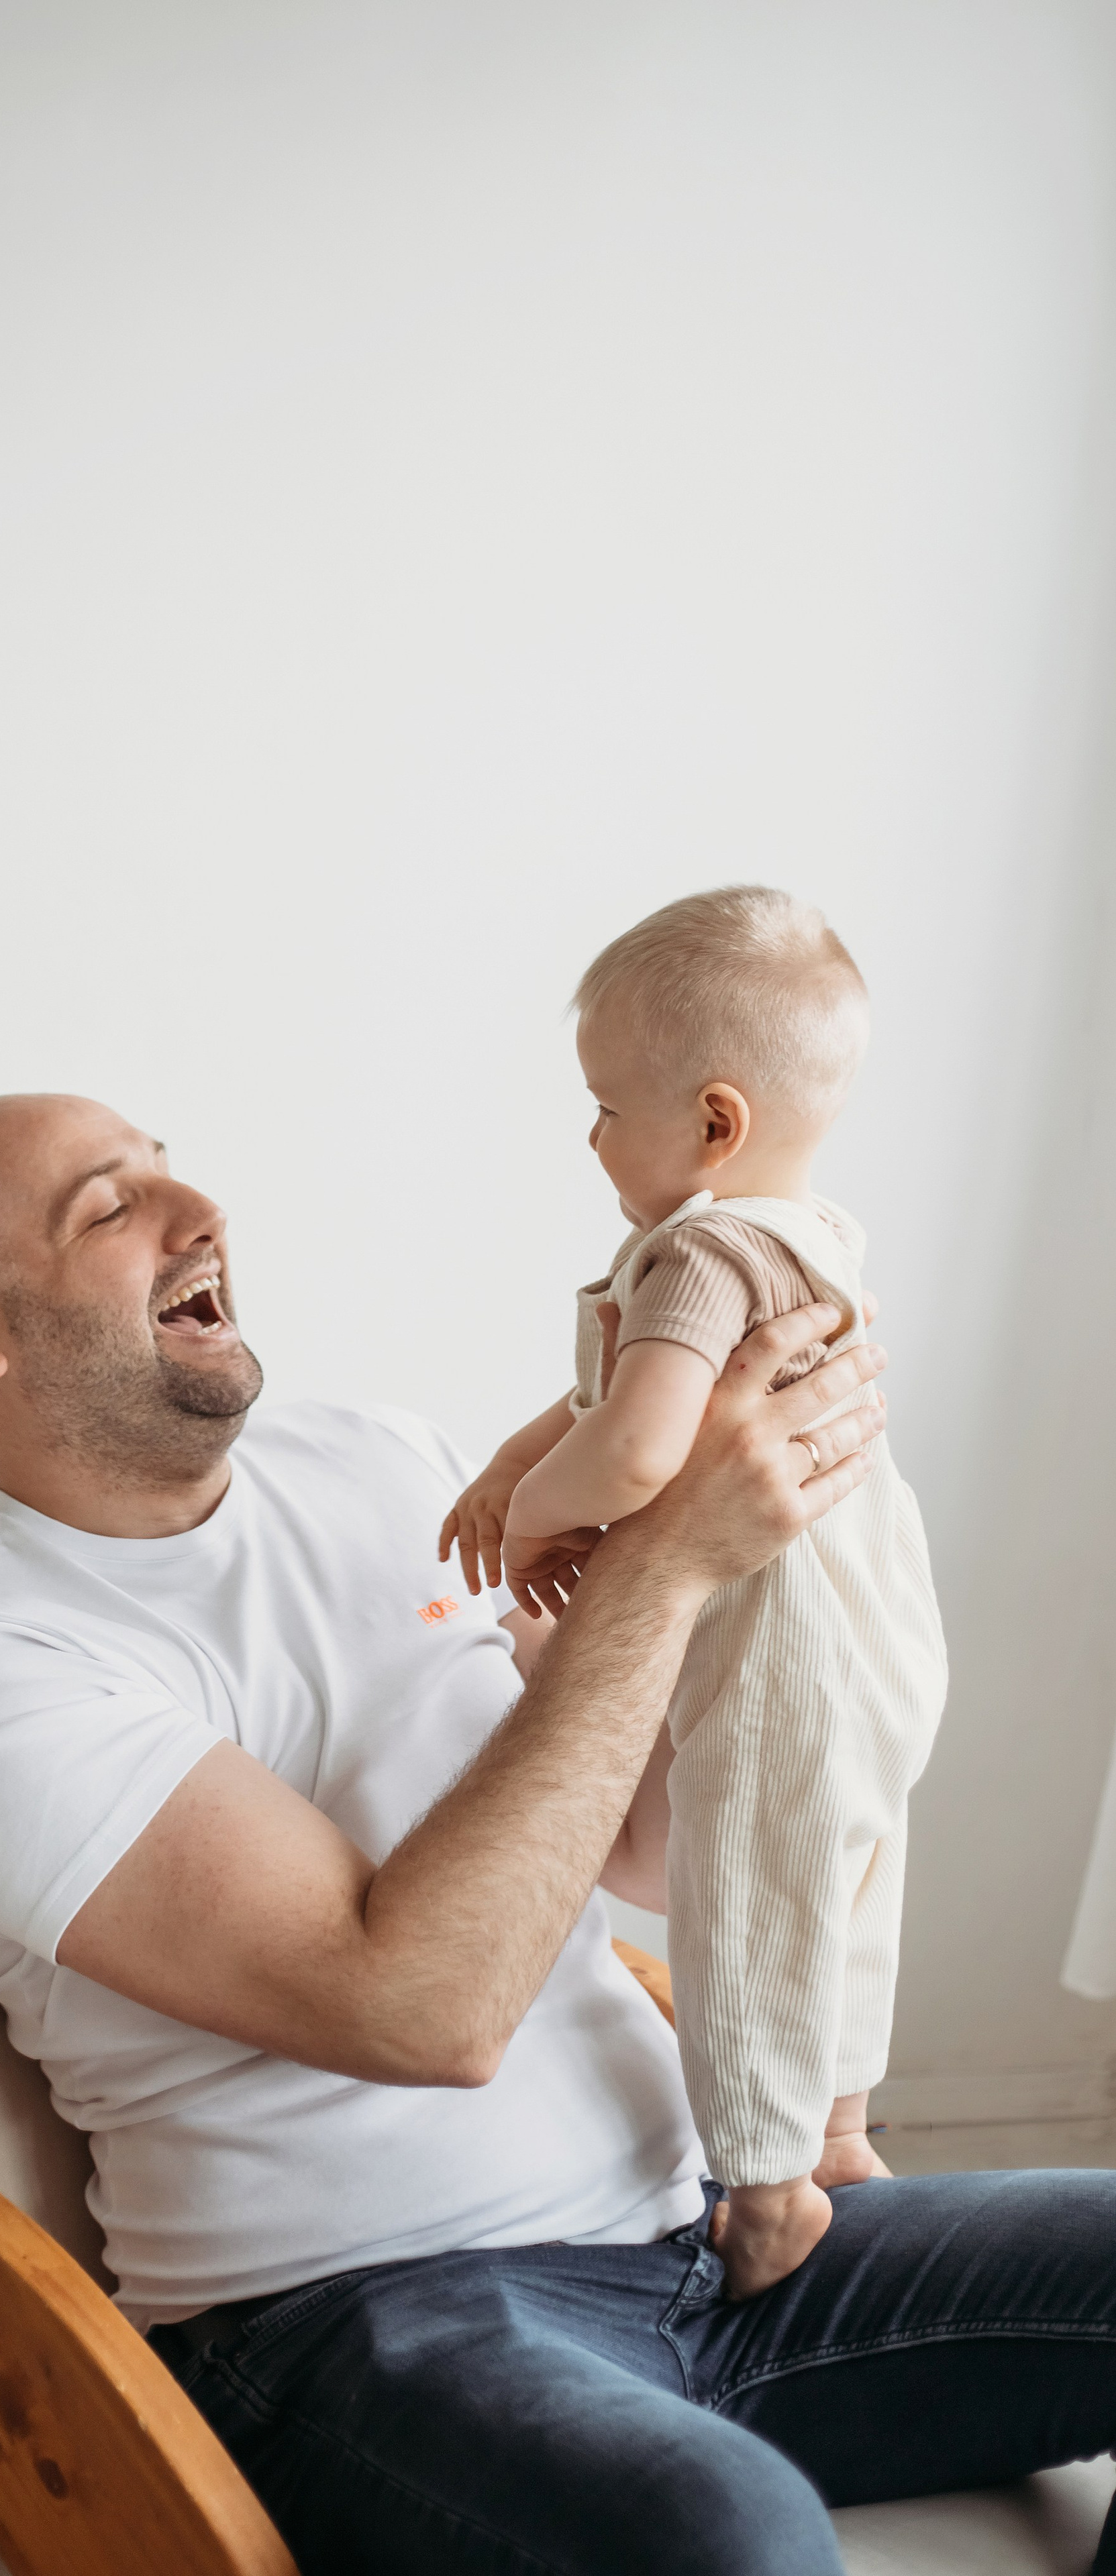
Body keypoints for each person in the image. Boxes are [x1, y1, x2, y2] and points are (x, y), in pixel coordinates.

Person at [0, 1092, 1116, 2576]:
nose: (192, 1209)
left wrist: (754, 1587)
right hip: (360, 2321)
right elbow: (424, 2009)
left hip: (706, 2239)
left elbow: (635, 1851)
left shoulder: (382, 1467)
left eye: (161, 1166)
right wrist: (659, 1570)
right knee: (721, 2532)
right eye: (106, 1207)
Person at [440, 888, 948, 2299]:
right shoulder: (804, 1234)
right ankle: (842, 2125)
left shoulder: (699, 1251)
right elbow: (602, 1390)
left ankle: (768, 2181)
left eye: (604, 1106)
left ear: (711, 1123)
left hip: (783, 1645)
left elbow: (642, 1440)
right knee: (843, 1875)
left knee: (746, 1897)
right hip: (880, 1625)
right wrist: (514, 1447)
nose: (590, 1135)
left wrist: (524, 1510)